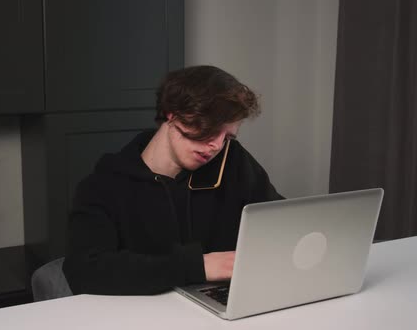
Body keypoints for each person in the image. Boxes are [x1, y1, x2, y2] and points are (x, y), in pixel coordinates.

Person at [62, 65, 284, 295]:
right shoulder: (104, 185)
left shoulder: (233, 160)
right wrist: (199, 266)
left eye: (226, 136)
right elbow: (84, 272)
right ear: (172, 112)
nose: (217, 145)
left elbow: (278, 220)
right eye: (210, 128)